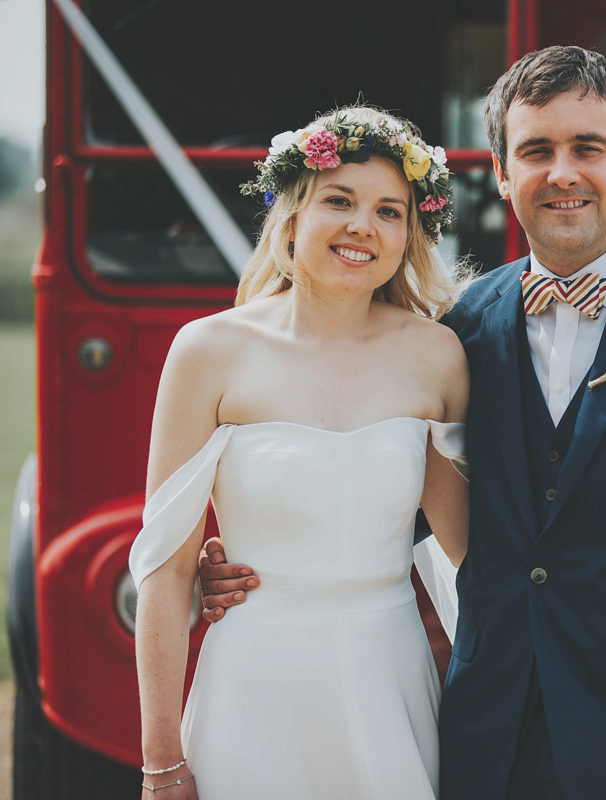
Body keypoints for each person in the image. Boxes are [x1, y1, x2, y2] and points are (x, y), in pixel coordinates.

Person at [202, 46, 606, 800]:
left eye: (588, 147)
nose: (564, 173)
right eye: (536, 151)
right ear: (505, 172)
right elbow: (393, 494)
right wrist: (250, 559)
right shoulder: (458, 331)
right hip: (489, 738)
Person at [130, 105, 470, 799]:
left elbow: (474, 553)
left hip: (389, 679)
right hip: (254, 681)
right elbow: (164, 572)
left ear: (410, 234)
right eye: (339, 201)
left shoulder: (437, 357)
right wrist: (161, 764)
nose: (361, 227)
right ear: (292, 211)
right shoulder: (208, 352)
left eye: (388, 211)